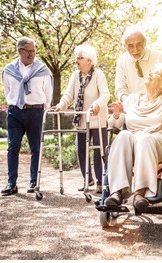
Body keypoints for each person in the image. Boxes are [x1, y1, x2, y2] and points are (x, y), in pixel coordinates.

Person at [105, 63, 162, 211]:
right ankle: (117, 191)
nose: (149, 74)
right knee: (123, 135)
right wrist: (116, 114)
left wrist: (161, 125)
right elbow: (114, 124)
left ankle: (140, 193)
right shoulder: (131, 100)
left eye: (155, 73)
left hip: (157, 140)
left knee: (144, 138)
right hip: (133, 139)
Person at [52, 45, 109, 193]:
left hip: (97, 119)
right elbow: (69, 95)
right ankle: (87, 179)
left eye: (80, 58)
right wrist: (60, 105)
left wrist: (97, 104)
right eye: (76, 57)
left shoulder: (98, 74)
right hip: (82, 120)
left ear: (89, 61)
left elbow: (105, 94)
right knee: (81, 149)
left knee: (99, 151)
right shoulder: (75, 76)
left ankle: (101, 182)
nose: (76, 60)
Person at [1, 37, 53, 196]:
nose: (32, 54)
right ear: (20, 51)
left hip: (35, 112)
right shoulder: (9, 70)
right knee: (13, 146)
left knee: (35, 147)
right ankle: (11, 183)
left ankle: (33, 182)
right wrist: (15, 105)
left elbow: (48, 93)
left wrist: (43, 111)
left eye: (34, 51)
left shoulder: (43, 70)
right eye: (29, 51)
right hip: (15, 112)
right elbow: (7, 91)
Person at [115, 26, 162, 102]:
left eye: (139, 44)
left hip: (158, 108)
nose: (135, 49)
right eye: (130, 46)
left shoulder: (161, 57)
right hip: (133, 109)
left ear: (145, 43)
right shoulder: (122, 60)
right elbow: (120, 88)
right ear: (124, 46)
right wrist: (130, 104)